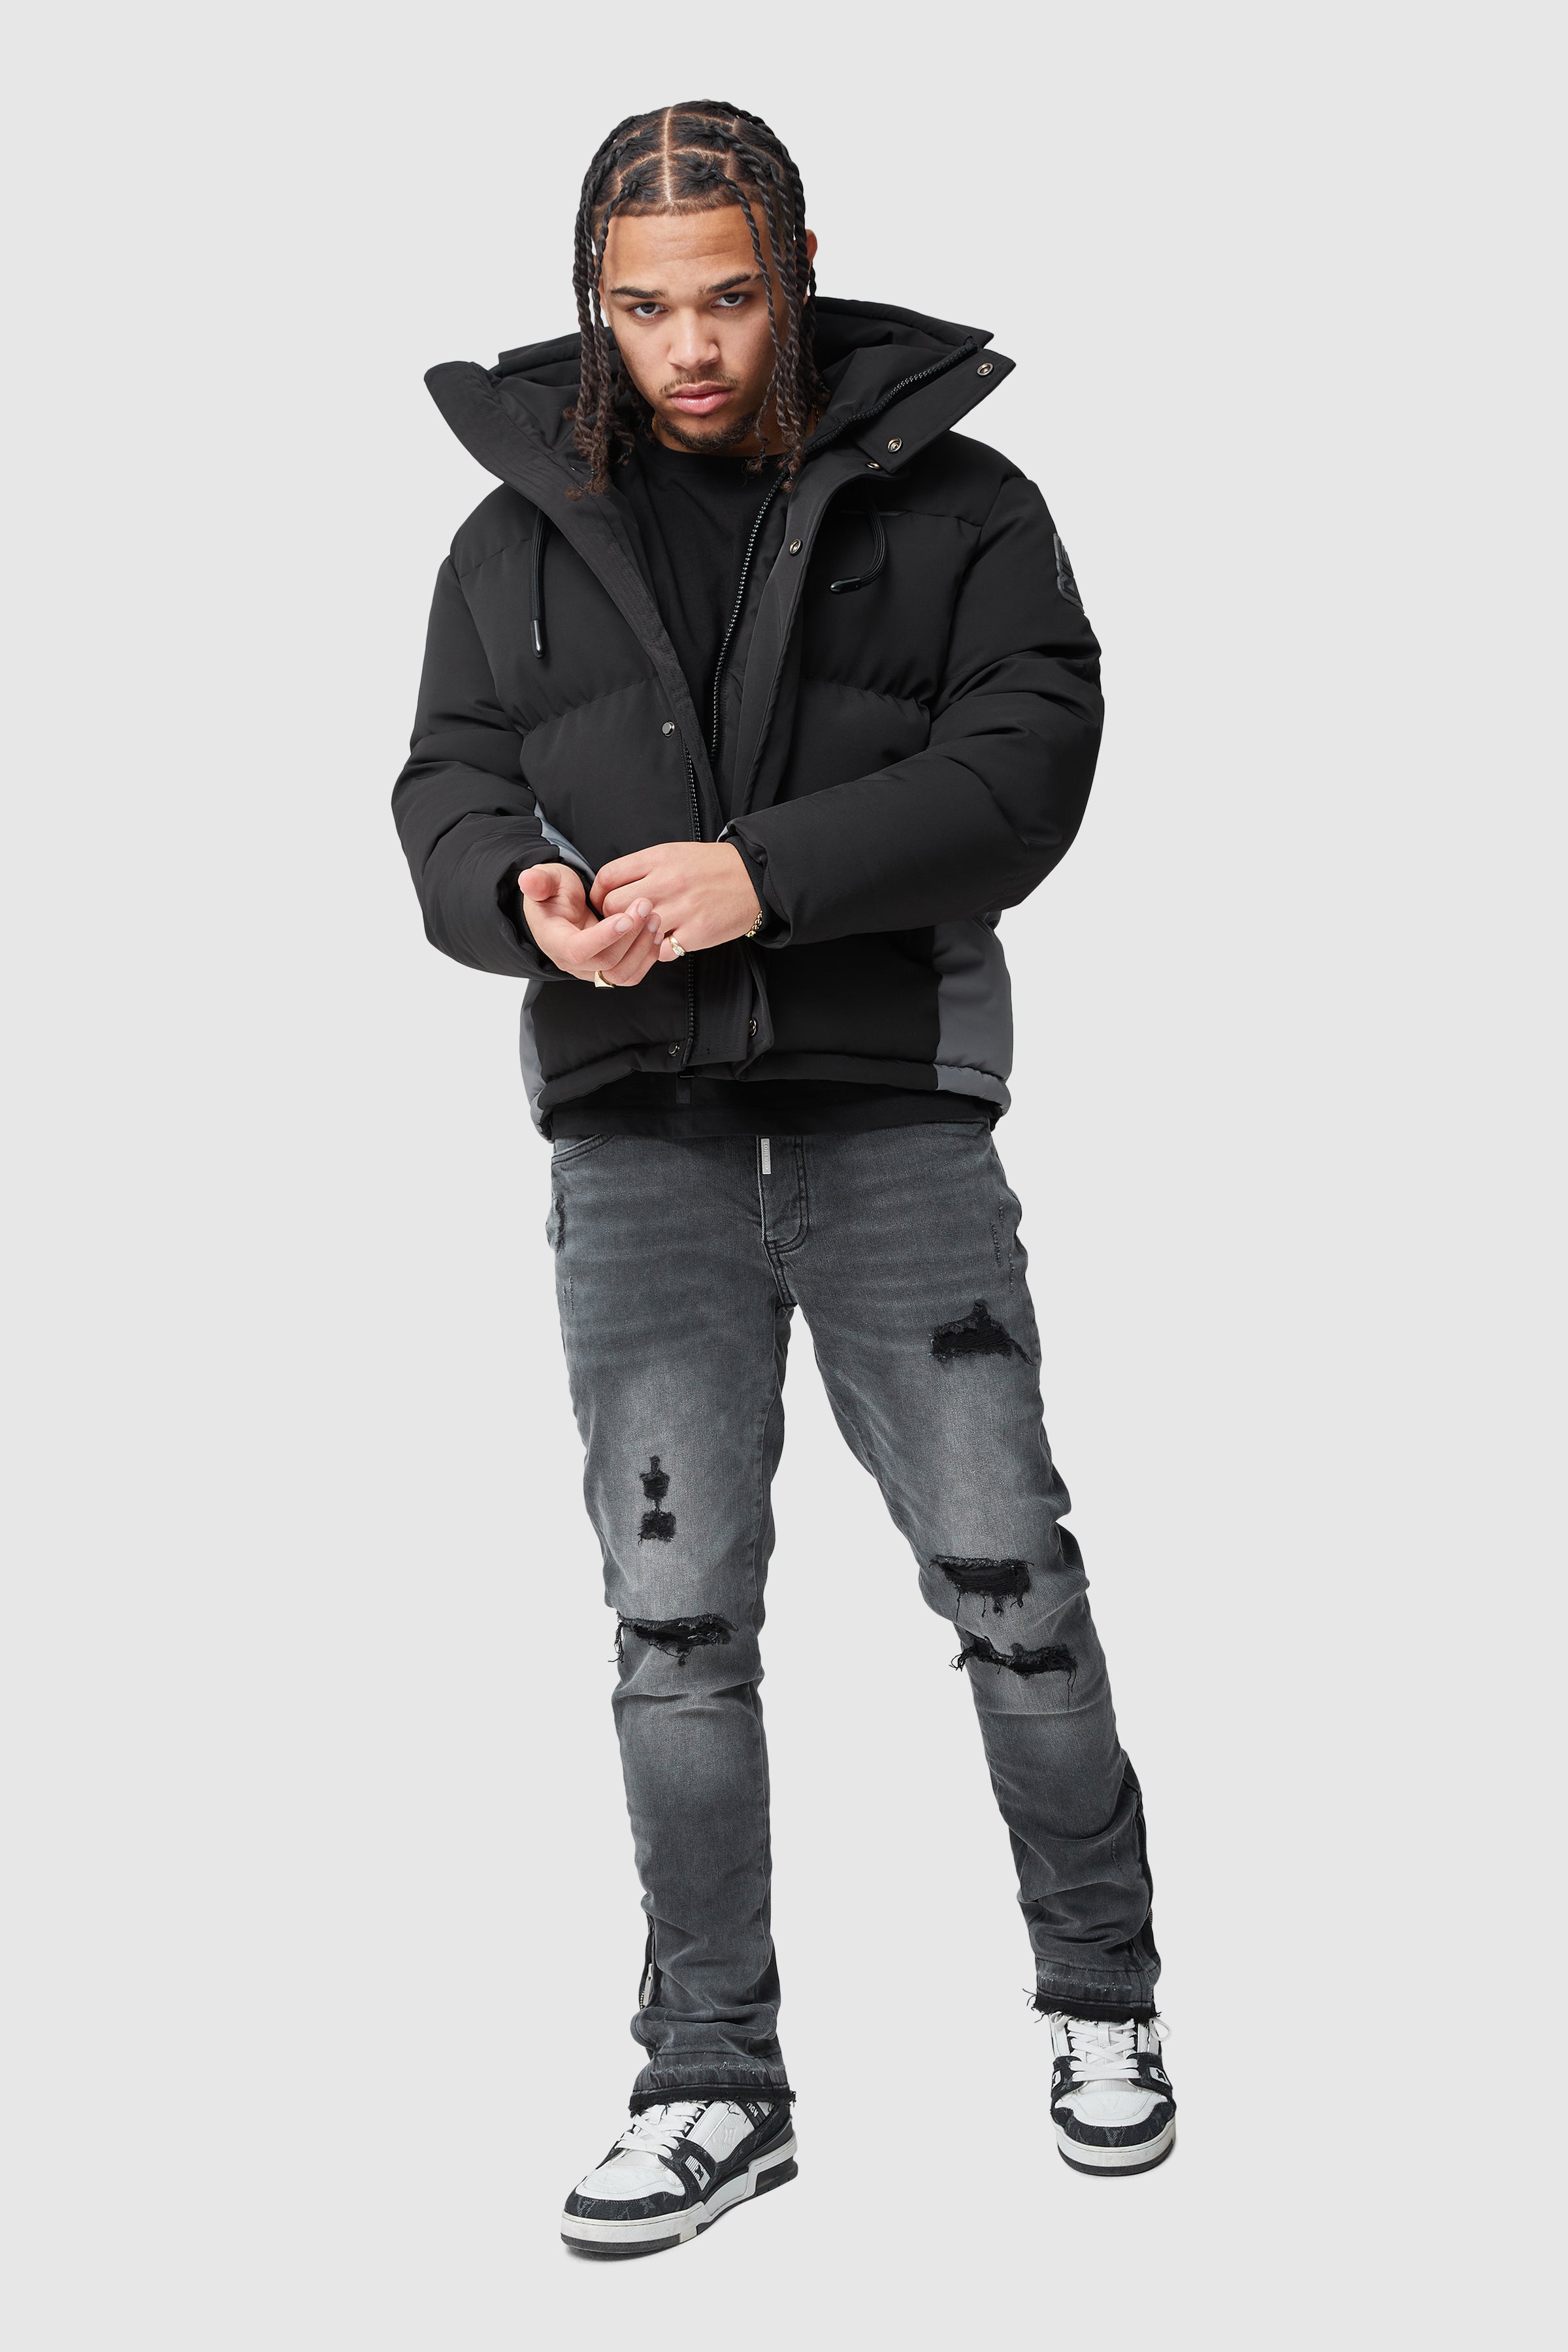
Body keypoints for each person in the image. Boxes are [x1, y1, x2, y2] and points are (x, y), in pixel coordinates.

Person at [393, 99, 1175, 2257]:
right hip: (634, 1134)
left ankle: (1102, 1999)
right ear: (593, 301)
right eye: (644, 309)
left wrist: (763, 876)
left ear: (798, 270)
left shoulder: (965, 504)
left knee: (1011, 1585)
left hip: (891, 1111)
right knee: (674, 1627)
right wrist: (515, 892)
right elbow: (445, 779)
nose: (690, 349)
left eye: (729, 299)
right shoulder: (510, 539)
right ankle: (712, 2079)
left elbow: (1030, 765)